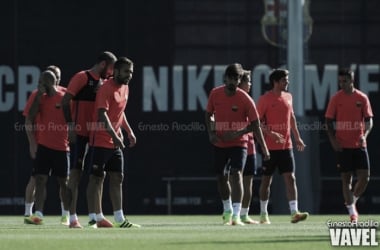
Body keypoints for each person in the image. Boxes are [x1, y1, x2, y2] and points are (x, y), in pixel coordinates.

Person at [205, 63, 270, 226]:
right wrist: (212, 133)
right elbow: (209, 115)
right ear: (225, 79)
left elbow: (255, 124)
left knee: (236, 173)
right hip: (220, 143)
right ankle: (227, 210)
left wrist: (264, 146)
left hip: (239, 144)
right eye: (231, 78)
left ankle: (236, 214)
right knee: (221, 176)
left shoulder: (245, 98)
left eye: (237, 78)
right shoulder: (215, 94)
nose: (234, 81)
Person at [61, 51, 117, 228]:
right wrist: (70, 126)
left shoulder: (104, 83)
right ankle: (72, 218)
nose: (111, 73)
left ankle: (97, 217)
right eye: (110, 68)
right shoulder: (81, 77)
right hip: (79, 135)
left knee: (98, 175)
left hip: (96, 136)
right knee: (75, 175)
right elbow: (64, 102)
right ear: (102, 64)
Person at [86, 57, 140, 228]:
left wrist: (128, 131)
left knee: (117, 177)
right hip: (100, 140)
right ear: (116, 71)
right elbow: (102, 115)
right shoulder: (105, 88)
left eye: (131, 72)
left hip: (114, 142)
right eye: (126, 72)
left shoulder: (126, 87)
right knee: (97, 179)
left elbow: (120, 112)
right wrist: (115, 136)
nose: (129, 75)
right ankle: (95, 218)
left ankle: (119, 219)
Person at [257, 68, 308, 224]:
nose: (287, 82)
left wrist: (298, 138)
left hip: (286, 147)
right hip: (269, 148)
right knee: (266, 181)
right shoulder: (265, 99)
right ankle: (263, 213)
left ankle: (294, 212)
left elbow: (291, 117)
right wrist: (270, 134)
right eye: (284, 80)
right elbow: (256, 123)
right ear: (276, 82)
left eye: (287, 79)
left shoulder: (288, 96)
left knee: (290, 178)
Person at [23, 65, 70, 225]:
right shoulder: (38, 96)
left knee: (63, 182)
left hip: (62, 147)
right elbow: (30, 117)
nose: (40, 84)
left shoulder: (65, 95)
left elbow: (71, 119)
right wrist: (32, 144)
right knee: (39, 179)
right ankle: (37, 214)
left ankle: (66, 215)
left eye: (44, 81)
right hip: (43, 145)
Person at [325, 68, 373, 223]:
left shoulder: (362, 98)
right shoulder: (336, 98)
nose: (342, 84)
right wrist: (333, 140)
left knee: (365, 178)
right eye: (340, 81)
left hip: (359, 144)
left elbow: (369, 120)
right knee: (346, 179)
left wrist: (364, 135)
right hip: (343, 145)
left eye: (345, 81)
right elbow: (328, 121)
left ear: (352, 80)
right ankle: (353, 213)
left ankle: (351, 201)